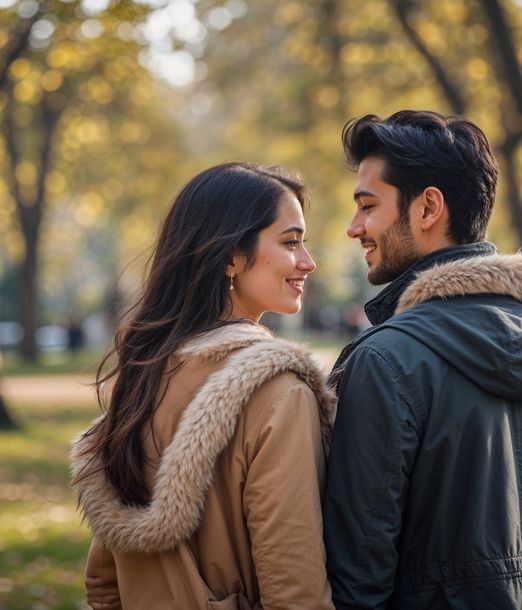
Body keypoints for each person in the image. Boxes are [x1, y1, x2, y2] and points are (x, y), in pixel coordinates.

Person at [322, 110, 522, 609]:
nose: (355, 228)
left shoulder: (384, 363)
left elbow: (356, 575)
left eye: (367, 206)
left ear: (428, 208)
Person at [71, 162, 335, 610]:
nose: (307, 262)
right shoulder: (277, 392)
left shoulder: (143, 378)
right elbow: (296, 591)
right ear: (232, 257)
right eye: (291, 242)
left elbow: (103, 582)